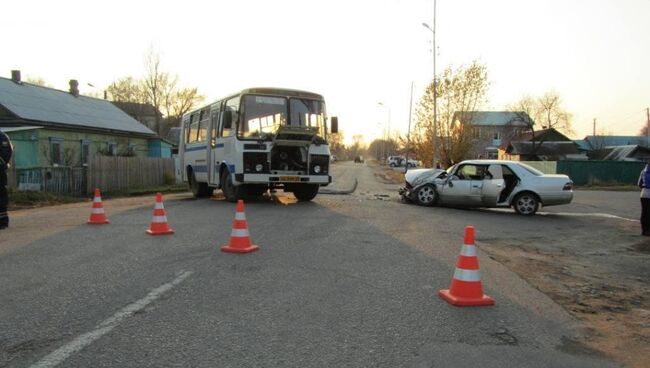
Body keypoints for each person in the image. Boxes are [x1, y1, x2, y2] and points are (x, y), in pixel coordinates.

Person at [0, 130, 13, 229]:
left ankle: (2, 221)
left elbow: (7, 152)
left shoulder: (2, 136)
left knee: (1, 194)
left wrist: (3, 163)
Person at [638, 159, 650, 236]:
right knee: (649, 213)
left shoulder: (643, 171)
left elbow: (639, 183)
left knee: (644, 212)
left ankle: (644, 230)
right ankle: (648, 230)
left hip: (643, 194)